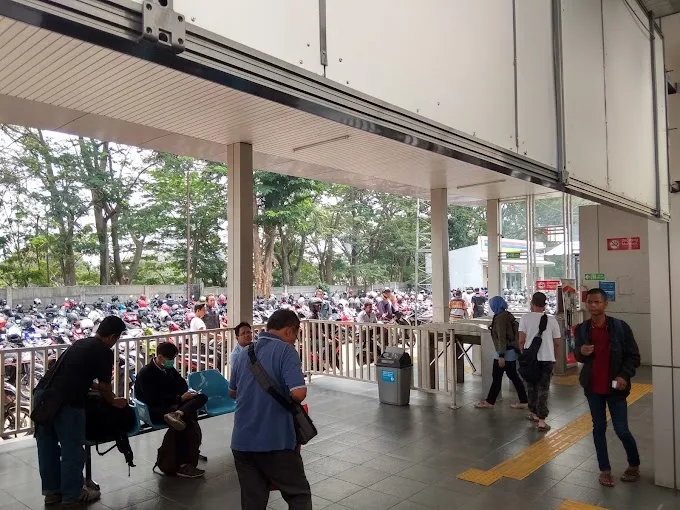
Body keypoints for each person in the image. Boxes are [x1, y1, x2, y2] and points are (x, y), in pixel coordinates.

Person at [35, 316, 128, 506]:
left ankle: (52, 492)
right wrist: (115, 401)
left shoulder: (80, 343)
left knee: (47, 446)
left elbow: (78, 375)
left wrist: (95, 387)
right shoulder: (104, 351)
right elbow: (103, 386)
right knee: (72, 449)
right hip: (67, 401)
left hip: (44, 395)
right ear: (112, 337)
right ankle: (73, 494)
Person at [229, 309, 311, 510]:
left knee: (253, 501)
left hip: (242, 442)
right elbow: (298, 393)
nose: (294, 340)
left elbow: (232, 392)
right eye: (296, 334)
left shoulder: (244, 352)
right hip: (275, 441)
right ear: (289, 330)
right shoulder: (285, 351)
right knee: (298, 495)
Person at [574, 288, 641, 488]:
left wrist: (623, 375)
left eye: (597, 302)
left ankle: (634, 465)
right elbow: (578, 355)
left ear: (605, 304)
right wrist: (582, 352)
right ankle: (605, 470)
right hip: (593, 387)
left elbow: (634, 356)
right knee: (599, 428)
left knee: (622, 429)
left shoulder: (620, 327)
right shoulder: (582, 329)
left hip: (616, 387)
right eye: (590, 302)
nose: (593, 305)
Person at [135, 341, 208, 478]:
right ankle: (184, 464)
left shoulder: (168, 369)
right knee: (187, 422)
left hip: (174, 405)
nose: (172, 362)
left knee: (201, 397)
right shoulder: (146, 373)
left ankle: (178, 414)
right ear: (160, 357)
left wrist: (180, 398)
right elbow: (152, 400)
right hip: (157, 409)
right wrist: (178, 399)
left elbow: (182, 386)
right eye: (170, 359)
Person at [475, 296, 528, 409]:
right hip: (510, 352)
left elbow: (502, 337)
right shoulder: (506, 315)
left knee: (498, 377)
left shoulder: (500, 318)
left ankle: (490, 401)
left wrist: (501, 356)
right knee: (512, 377)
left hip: (504, 353)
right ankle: (524, 400)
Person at [519, 292, 561, 432]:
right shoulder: (552, 319)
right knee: (543, 389)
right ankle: (542, 422)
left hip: (531, 359)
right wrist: (554, 358)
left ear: (532, 303)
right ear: (545, 304)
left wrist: (525, 354)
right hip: (547, 358)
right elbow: (557, 343)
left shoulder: (525, 318)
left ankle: (534, 414)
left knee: (531, 387)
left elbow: (521, 340)